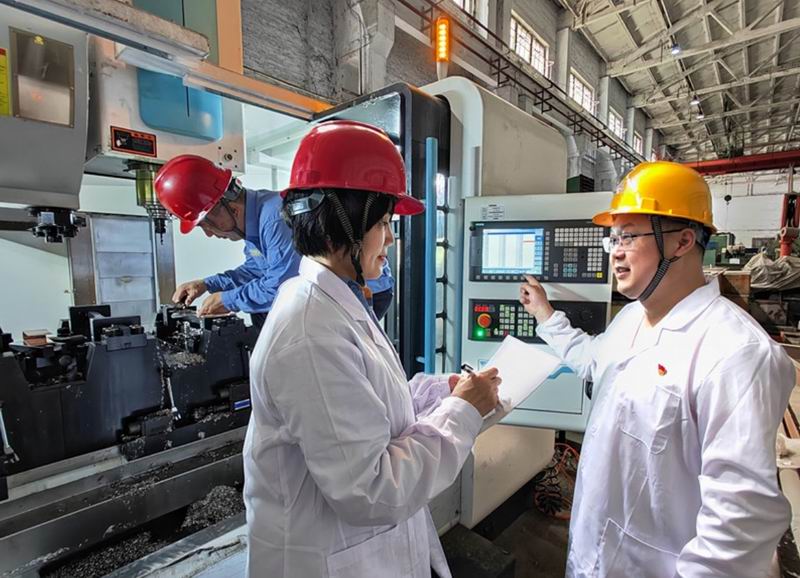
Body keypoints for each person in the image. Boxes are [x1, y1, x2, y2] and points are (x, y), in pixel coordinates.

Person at [243, 120, 501, 578]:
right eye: (383, 223)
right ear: (339, 226)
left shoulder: (334, 302)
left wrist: (441, 392)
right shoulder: (310, 333)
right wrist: (462, 412)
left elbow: (371, 407)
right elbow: (373, 491)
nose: (392, 239)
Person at [519, 161, 794, 577]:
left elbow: (740, 524)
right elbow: (592, 360)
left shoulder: (737, 354)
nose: (615, 251)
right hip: (591, 556)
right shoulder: (632, 318)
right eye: (613, 238)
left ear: (683, 241)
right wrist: (544, 314)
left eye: (629, 236)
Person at [154, 155, 301, 331]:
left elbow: (283, 287)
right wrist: (206, 284)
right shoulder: (255, 223)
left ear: (232, 209)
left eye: (207, 225)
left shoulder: (275, 218)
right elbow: (255, 271)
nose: (209, 234)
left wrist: (227, 300)